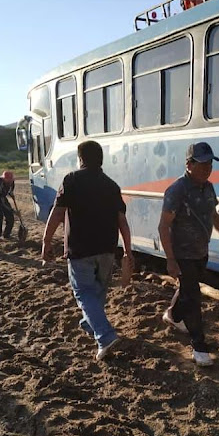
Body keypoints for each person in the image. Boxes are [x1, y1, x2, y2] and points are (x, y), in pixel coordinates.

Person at [41, 140, 134, 361]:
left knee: (83, 292)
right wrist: (128, 252)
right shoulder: (112, 186)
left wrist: (46, 241)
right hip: (107, 249)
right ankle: (89, 323)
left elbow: (57, 212)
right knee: (98, 291)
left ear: (80, 159)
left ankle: (104, 335)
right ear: (100, 159)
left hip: (80, 249)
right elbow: (122, 220)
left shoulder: (71, 180)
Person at [158, 142, 219, 367]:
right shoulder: (177, 190)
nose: (207, 169)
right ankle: (199, 347)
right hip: (182, 253)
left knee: (187, 291)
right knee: (193, 299)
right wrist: (170, 260)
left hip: (200, 251)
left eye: (210, 164)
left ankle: (172, 316)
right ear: (189, 164)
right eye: (202, 164)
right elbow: (164, 226)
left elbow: (213, 215)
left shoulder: (208, 188)